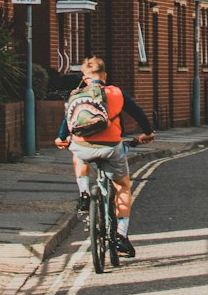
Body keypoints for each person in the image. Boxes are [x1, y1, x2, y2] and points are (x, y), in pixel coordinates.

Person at [56, 56, 153, 259]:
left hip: (83, 147)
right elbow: (138, 113)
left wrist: (61, 138)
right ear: (105, 75)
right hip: (111, 148)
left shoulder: (76, 94)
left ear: (84, 77)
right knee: (123, 187)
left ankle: (84, 194)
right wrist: (147, 133)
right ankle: (121, 236)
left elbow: (67, 121)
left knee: (77, 154)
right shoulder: (116, 92)